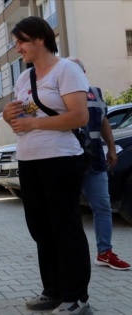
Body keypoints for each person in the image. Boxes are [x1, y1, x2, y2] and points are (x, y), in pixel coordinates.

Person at [3, 17, 93, 315]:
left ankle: (76, 297)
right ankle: (53, 291)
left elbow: (80, 117)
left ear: (39, 39)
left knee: (65, 227)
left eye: (21, 42)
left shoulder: (66, 70)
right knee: (40, 228)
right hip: (30, 160)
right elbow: (21, 119)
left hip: (61, 159)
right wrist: (9, 116)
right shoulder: (24, 78)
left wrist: (33, 122)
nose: (18, 49)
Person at [68, 58, 130, 271]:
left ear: (84, 71)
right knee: (67, 210)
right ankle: (70, 255)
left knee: (102, 207)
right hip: (68, 159)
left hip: (94, 159)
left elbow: (103, 121)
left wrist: (111, 148)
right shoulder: (58, 92)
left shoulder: (95, 92)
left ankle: (105, 252)